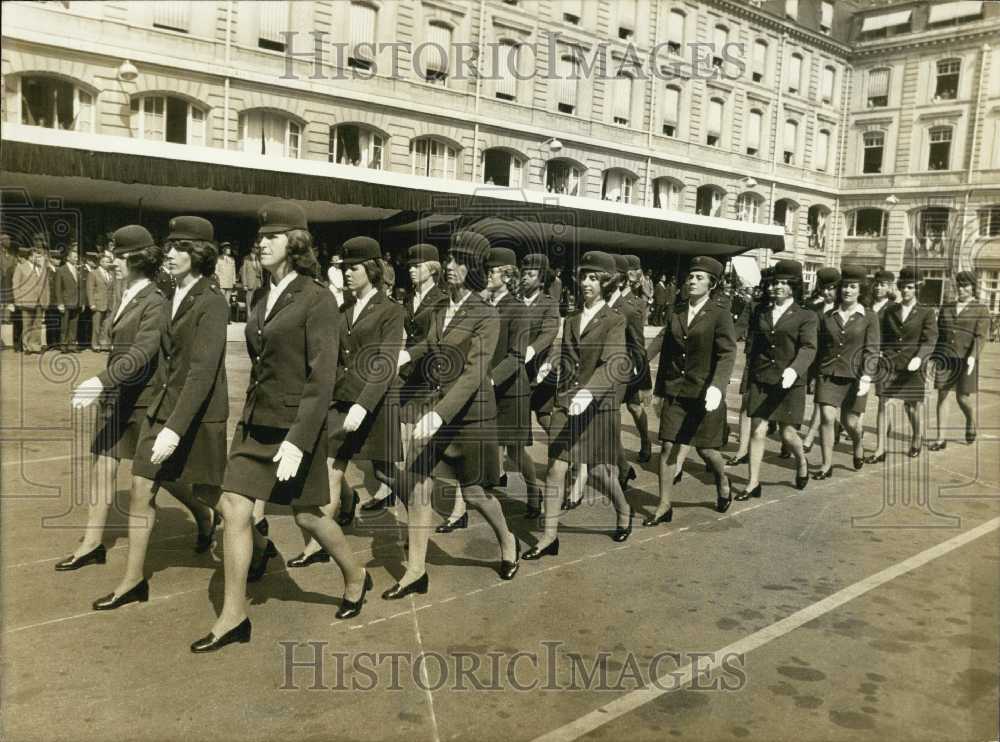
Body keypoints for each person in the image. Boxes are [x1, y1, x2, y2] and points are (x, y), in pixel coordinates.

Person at [190, 202, 363, 652]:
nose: (262, 243)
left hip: (295, 428)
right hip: (256, 422)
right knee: (234, 508)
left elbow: (322, 377)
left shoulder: (317, 298)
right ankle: (234, 616)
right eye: (260, 236)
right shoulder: (261, 295)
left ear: (296, 242)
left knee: (308, 516)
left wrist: (299, 440)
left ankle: (355, 574)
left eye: (273, 236)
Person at [91, 217, 225, 613]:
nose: (170, 254)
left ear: (199, 254)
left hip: (196, 413)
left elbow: (201, 372)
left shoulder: (212, 301)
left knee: (214, 495)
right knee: (141, 488)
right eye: (169, 247)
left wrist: (175, 428)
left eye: (181, 248)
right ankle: (133, 581)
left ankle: (259, 544)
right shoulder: (169, 293)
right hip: (162, 406)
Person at [61, 225, 214, 571]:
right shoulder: (127, 291)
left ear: (137, 259)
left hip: (144, 398)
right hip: (117, 396)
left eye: (119, 255)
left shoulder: (155, 300)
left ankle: (204, 513)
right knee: (102, 465)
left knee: (162, 475)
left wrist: (100, 381)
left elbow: (143, 351)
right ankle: (91, 544)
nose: (111, 260)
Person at [390, 231, 521, 596]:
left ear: (474, 268)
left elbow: (475, 372)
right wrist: (407, 354)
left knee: (476, 494)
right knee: (418, 485)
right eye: (449, 259)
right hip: (438, 408)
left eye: (458, 261)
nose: (449, 266)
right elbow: (431, 344)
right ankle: (416, 571)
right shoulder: (441, 307)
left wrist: (439, 415)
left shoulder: (486, 315)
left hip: (470, 417)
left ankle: (507, 540)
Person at [287, 236, 403, 565]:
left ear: (372, 269)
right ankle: (318, 545)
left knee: (388, 475)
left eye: (354, 268)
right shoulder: (343, 310)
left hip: (375, 405)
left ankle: (417, 516)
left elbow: (385, 363)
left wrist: (363, 405)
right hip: (341, 401)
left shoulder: (391, 310)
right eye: (344, 268)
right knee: (330, 468)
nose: (347, 273)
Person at [523, 250, 631, 559]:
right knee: (555, 470)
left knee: (598, 472)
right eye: (584, 276)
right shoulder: (571, 319)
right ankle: (549, 537)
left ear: (606, 283)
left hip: (595, 407)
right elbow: (568, 354)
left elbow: (613, 362)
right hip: (567, 404)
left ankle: (624, 510)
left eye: (593, 278)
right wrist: (551, 365)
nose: (586, 283)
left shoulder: (615, 320)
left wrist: (589, 393)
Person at [438, 247, 530, 532]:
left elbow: (517, 355)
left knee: (515, 452)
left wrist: (490, 379)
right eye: (487, 270)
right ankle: (459, 512)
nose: (488, 275)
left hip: (509, 389)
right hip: (477, 390)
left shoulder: (517, 308)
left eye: (494, 271)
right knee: (465, 455)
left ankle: (534, 491)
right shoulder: (477, 304)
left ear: (508, 276)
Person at [647, 256, 736, 525]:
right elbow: (665, 346)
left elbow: (727, 353)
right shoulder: (677, 310)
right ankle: (664, 505)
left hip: (704, 393)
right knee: (668, 447)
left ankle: (722, 480)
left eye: (699, 278)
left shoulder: (719, 313)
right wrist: (643, 366)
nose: (692, 281)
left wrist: (717, 386)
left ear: (712, 284)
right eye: (691, 277)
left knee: (706, 451)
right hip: (676, 390)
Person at [363, 243, 446, 514]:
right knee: (393, 430)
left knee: (419, 443)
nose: (411, 270)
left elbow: (432, 340)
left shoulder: (441, 300)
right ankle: (391, 489)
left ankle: (422, 501)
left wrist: (407, 355)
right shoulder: (409, 297)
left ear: (432, 269)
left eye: (417, 266)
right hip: (406, 375)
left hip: (428, 375)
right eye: (410, 266)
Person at [734, 259, 816, 500]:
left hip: (789, 382)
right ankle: (753, 483)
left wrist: (794, 370)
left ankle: (801, 461)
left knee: (787, 435)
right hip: (762, 378)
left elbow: (809, 347)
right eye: (775, 283)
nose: (777, 287)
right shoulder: (761, 310)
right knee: (757, 430)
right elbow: (746, 336)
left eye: (784, 283)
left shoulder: (806, 316)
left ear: (794, 286)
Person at [811, 264, 879, 479]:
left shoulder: (869, 316)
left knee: (850, 423)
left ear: (860, 290)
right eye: (845, 286)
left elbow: (872, 349)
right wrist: (811, 375)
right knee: (827, 417)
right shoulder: (828, 315)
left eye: (853, 286)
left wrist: (867, 376)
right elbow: (818, 348)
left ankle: (858, 441)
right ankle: (826, 465)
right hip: (828, 374)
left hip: (856, 377)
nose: (847, 290)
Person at [866, 267, 938, 462]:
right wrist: (879, 351)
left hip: (913, 365)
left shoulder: (926, 312)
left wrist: (920, 357)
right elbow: (880, 334)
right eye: (903, 287)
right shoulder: (890, 310)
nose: (906, 290)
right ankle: (880, 449)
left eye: (910, 287)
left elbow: (930, 340)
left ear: (917, 289)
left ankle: (917, 438)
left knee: (911, 407)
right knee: (884, 403)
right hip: (889, 363)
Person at [519, 253, 561, 518]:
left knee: (546, 419)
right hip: (516, 376)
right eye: (523, 273)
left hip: (541, 373)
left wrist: (531, 350)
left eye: (531, 274)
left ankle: (568, 458)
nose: (525, 277)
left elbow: (549, 332)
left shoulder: (548, 303)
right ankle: (533, 490)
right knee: (514, 440)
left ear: (542, 279)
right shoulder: (513, 302)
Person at [930, 271, 990, 449]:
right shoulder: (947, 307)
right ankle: (940, 439)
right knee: (942, 395)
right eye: (959, 285)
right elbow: (939, 334)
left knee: (962, 398)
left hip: (966, 359)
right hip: (945, 358)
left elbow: (980, 337)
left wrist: (973, 357)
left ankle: (970, 420)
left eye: (965, 286)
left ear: (973, 287)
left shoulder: (981, 309)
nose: (961, 289)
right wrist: (934, 357)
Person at [800, 267, 841, 453]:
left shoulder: (842, 310)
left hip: (833, 361)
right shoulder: (814, 309)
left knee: (821, 400)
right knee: (821, 400)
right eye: (824, 288)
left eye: (831, 288)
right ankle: (836, 425)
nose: (826, 292)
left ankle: (809, 437)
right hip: (815, 358)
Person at [54, 244, 83, 352]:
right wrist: (60, 303)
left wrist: (82, 302)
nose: (76, 259)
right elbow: (58, 288)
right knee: (64, 325)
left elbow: (80, 288)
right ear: (68, 258)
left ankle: (72, 345)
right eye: (74, 257)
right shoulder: (61, 270)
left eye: (77, 257)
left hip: (76, 302)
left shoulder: (77, 270)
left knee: (74, 325)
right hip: (65, 302)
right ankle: (63, 346)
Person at [87, 251, 114, 352]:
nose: (108, 264)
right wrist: (91, 303)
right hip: (98, 303)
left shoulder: (110, 274)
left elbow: (111, 289)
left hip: (108, 303)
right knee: (96, 325)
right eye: (106, 262)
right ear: (101, 262)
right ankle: (95, 344)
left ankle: (104, 344)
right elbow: (90, 289)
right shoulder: (93, 273)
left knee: (106, 325)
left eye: (109, 262)